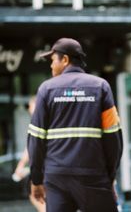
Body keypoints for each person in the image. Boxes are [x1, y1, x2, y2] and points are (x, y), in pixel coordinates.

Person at [27, 38, 123, 212]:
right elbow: (113, 139)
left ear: (65, 60)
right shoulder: (101, 87)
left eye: (53, 60)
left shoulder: (46, 89)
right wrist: (109, 179)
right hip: (93, 175)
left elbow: (36, 140)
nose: (50, 66)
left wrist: (36, 180)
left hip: (57, 179)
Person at [13, 96, 46, 212]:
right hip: (53, 169)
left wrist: (21, 165)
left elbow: (32, 146)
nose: (29, 110)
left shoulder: (39, 121)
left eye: (31, 106)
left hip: (46, 171)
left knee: (38, 197)